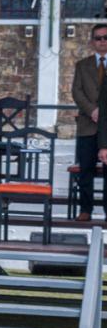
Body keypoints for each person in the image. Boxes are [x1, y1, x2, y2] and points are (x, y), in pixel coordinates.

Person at [71, 24, 107, 222]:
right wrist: (92, 110)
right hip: (87, 124)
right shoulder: (82, 65)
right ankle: (86, 209)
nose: (102, 41)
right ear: (92, 41)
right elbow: (76, 91)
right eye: (98, 38)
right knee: (86, 170)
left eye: (105, 37)